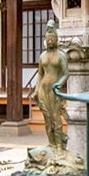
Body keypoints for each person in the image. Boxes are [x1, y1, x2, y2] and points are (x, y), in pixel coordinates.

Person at [32, 20, 69, 157]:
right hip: (43, 90)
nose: (50, 41)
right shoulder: (42, 56)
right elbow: (40, 74)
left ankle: (59, 145)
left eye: (53, 38)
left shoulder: (61, 55)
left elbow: (66, 74)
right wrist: (36, 90)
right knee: (47, 118)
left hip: (54, 90)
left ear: (56, 40)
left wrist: (59, 84)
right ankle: (51, 142)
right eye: (48, 39)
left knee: (56, 118)